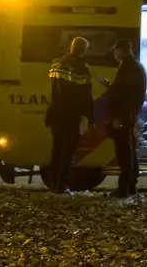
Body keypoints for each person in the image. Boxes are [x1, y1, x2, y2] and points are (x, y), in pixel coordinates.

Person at [45, 37, 94, 194]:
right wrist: (91, 117)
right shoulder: (80, 68)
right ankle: (61, 185)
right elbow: (86, 96)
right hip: (71, 115)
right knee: (68, 151)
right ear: (83, 50)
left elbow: (52, 90)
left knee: (56, 150)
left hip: (55, 113)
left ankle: (53, 184)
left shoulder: (56, 64)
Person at [103, 38, 147, 197]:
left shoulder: (127, 67)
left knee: (123, 152)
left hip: (124, 115)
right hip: (131, 114)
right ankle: (131, 185)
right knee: (130, 150)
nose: (115, 54)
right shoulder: (137, 67)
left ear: (122, 51)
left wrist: (118, 116)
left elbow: (122, 94)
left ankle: (124, 189)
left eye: (116, 50)